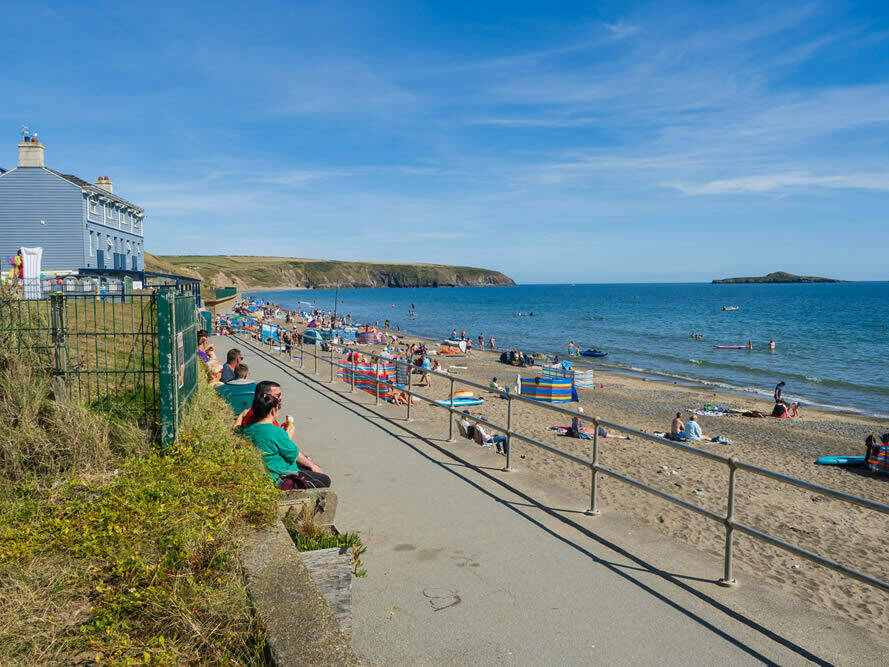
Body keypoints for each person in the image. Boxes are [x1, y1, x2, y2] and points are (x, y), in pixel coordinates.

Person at [241, 393, 330, 489]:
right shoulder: (276, 431)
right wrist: (287, 437)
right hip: (281, 478)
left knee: (308, 466)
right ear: (273, 410)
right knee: (324, 479)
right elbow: (293, 454)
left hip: (266, 472)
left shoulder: (246, 429)